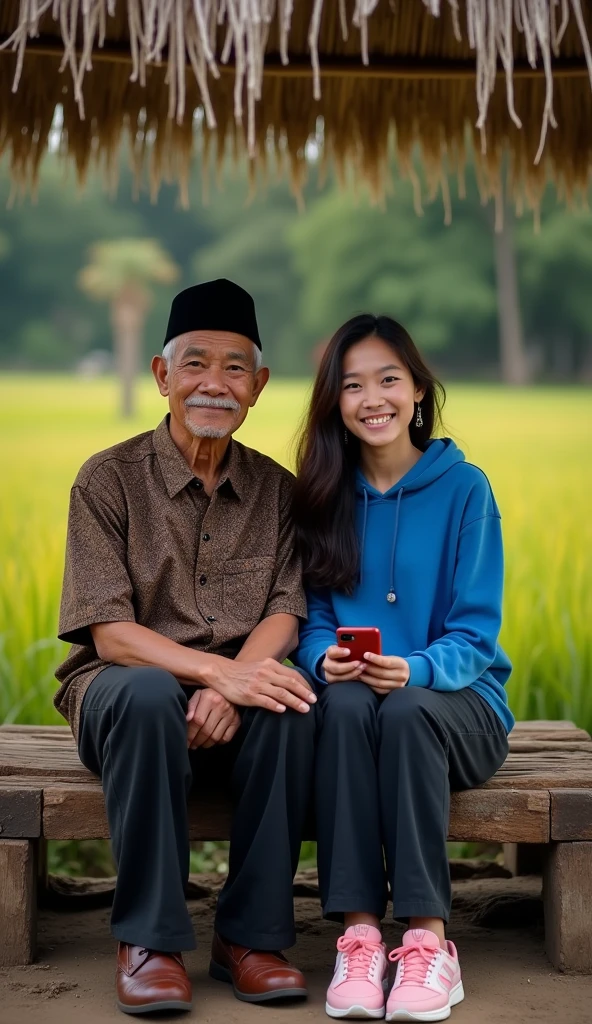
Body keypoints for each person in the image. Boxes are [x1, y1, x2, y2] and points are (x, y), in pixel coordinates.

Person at [55, 279, 318, 1016]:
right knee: (141, 695)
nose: (215, 383)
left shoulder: (279, 492)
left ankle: (252, 938)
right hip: (124, 689)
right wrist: (219, 674)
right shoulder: (107, 482)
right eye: (196, 363)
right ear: (162, 376)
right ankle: (150, 942)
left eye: (235, 368)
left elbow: (287, 610)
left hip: (229, 694)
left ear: (259, 386)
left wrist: (237, 683)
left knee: (293, 703)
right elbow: (109, 631)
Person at [292, 314, 513, 1023]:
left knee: (408, 709)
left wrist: (414, 669)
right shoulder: (323, 495)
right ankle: (358, 940)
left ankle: (427, 942)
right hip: (363, 705)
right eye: (352, 385)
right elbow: (313, 615)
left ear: (418, 389)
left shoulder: (465, 490)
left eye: (388, 379)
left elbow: (476, 634)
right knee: (348, 706)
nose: (372, 398)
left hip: (459, 707)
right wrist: (319, 657)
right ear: (336, 403)